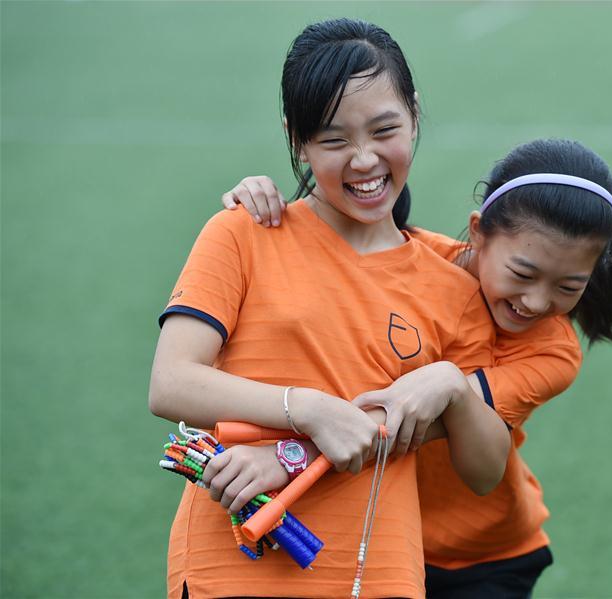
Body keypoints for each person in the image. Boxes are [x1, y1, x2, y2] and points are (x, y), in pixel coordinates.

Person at [219, 138, 612, 597]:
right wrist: (264, 202)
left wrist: (285, 459)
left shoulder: (552, 351)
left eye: (569, 287)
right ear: (479, 231)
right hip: (378, 532)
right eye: (523, 274)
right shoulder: (408, 258)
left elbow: (409, 421)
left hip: (482, 560)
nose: (537, 301)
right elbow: (318, 233)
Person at [149, 18, 511, 599]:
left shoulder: (453, 289)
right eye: (334, 140)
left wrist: (454, 385)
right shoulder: (242, 232)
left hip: (379, 572)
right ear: (297, 140)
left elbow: (485, 471)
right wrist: (309, 409)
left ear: (415, 115)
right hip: (231, 565)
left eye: (384, 129)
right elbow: (170, 383)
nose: (364, 160)